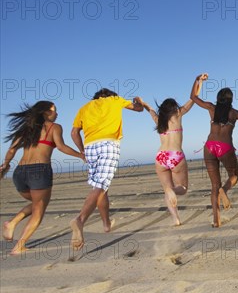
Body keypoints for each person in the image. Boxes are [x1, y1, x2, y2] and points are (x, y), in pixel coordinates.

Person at [0, 101, 85, 255]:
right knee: (39, 209)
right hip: (39, 171)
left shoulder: (26, 129)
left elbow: (12, 149)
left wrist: (5, 165)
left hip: (19, 173)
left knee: (37, 203)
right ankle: (19, 245)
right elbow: (61, 146)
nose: (57, 114)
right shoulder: (54, 127)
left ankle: (12, 223)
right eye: (54, 111)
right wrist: (81, 155)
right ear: (46, 112)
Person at [70, 89, 143, 250]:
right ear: (109, 95)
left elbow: (74, 132)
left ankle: (106, 224)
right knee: (101, 185)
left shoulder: (84, 107)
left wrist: (82, 151)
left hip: (89, 147)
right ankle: (80, 220)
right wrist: (139, 101)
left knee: (101, 187)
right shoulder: (115, 99)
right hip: (108, 145)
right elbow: (138, 109)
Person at [191, 73, 238, 228]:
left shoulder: (211, 108)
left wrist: (198, 80)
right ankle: (224, 190)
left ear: (218, 98)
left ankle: (216, 220)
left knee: (214, 185)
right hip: (225, 148)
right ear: (231, 99)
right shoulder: (235, 113)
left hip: (210, 147)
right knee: (234, 175)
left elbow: (193, 97)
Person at [138, 96, 194, 226]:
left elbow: (150, 109)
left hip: (161, 156)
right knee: (183, 188)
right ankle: (173, 191)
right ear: (175, 108)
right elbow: (193, 99)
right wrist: (199, 82)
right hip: (175, 156)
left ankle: (175, 218)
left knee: (166, 189)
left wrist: (142, 102)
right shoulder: (178, 115)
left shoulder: (159, 120)